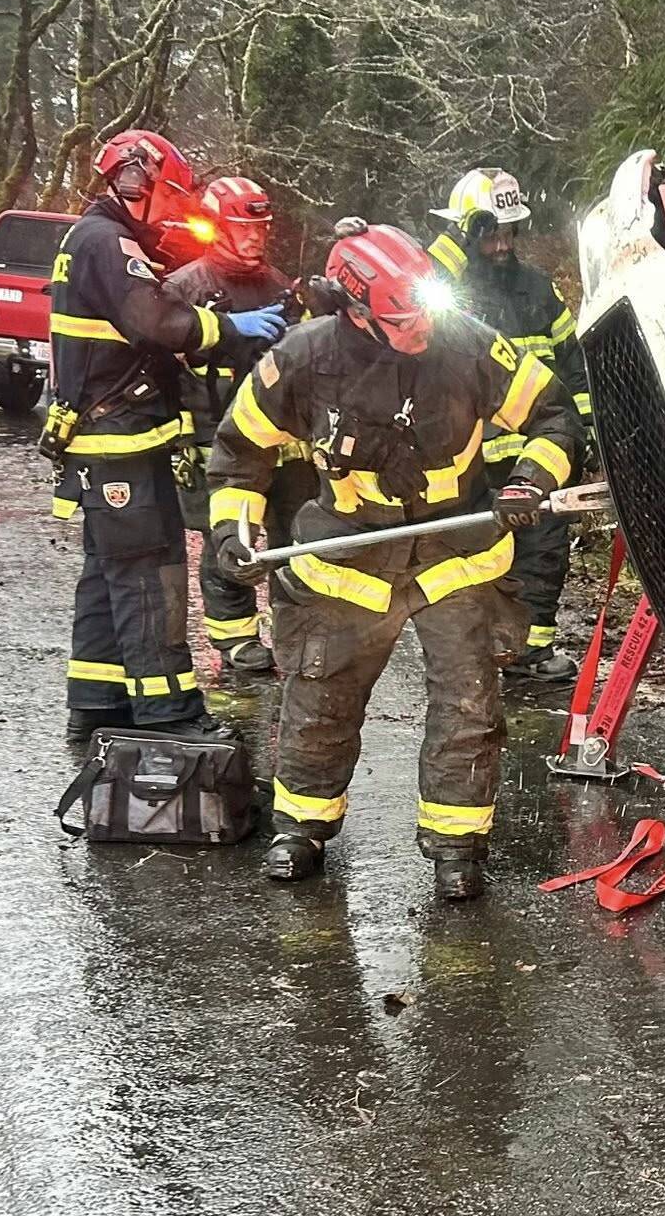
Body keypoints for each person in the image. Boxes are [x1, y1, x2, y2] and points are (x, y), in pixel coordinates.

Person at [204, 221, 581, 900]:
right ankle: (302, 828)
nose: (419, 331)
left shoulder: (465, 341)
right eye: (401, 320)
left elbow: (555, 415)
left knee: (468, 705)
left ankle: (458, 846)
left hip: (456, 555)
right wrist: (234, 531)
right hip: (346, 554)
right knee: (320, 695)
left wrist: (530, 479)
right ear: (355, 312)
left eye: (422, 314)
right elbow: (238, 456)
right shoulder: (304, 359)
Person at [48, 129, 287, 740]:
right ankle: (169, 715)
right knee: (149, 573)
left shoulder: (95, 239)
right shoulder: (106, 242)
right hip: (120, 440)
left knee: (107, 573)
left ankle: (99, 700)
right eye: (170, 195)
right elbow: (157, 322)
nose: (175, 210)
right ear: (134, 182)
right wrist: (230, 328)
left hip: (109, 440)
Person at [429, 169, 590, 683]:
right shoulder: (445, 290)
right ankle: (473, 655)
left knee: (544, 555)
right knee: (472, 562)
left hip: (539, 459)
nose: (501, 245)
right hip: (468, 462)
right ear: (467, 233)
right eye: (489, 233)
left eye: (508, 233)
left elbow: (573, 365)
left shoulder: (538, 290)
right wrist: (456, 242)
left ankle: (529, 652)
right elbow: (415, 290)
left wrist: (581, 433)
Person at [164, 175, 313, 675]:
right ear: (216, 226)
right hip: (215, 435)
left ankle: (295, 633)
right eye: (242, 226)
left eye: (261, 227)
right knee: (229, 535)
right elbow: (162, 361)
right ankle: (235, 639)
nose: (255, 236)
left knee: (296, 535)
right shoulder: (184, 288)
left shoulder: (281, 286)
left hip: (283, 439)